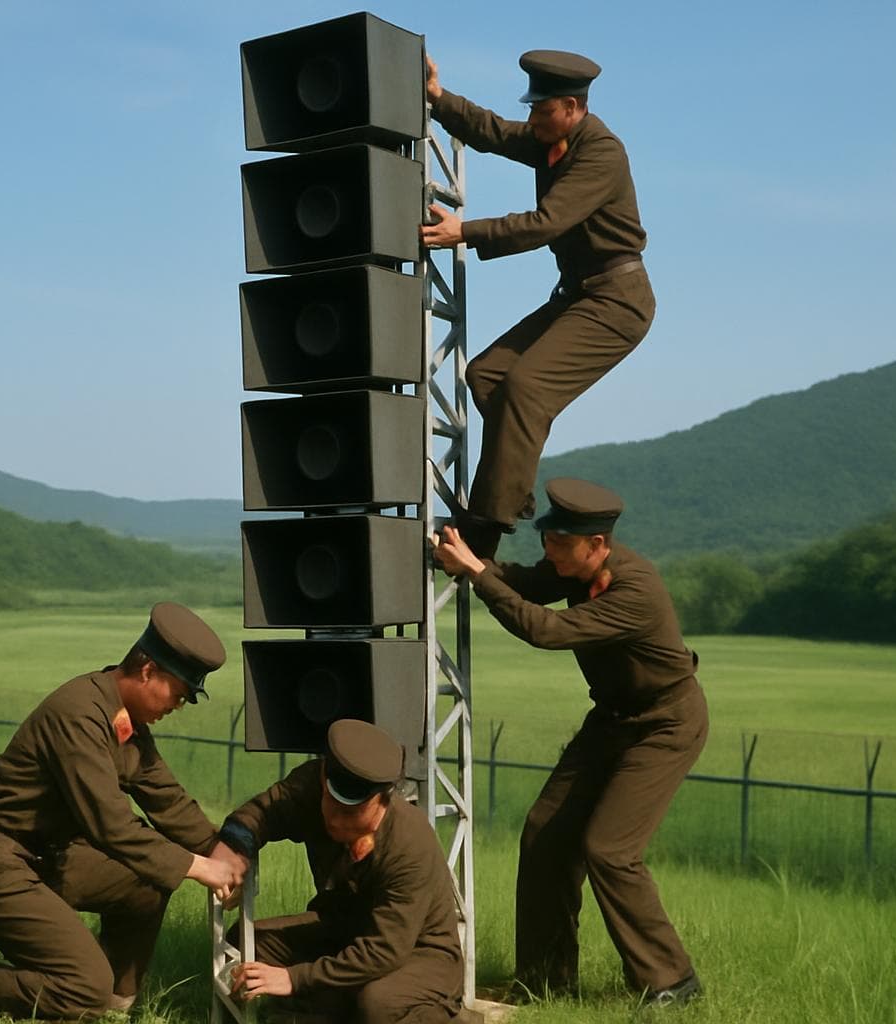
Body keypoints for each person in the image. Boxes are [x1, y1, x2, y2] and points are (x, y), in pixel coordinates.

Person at [431, 479, 706, 1007]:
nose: (549, 556)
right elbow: (527, 584)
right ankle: (546, 982)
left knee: (610, 850)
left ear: (597, 545)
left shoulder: (635, 590)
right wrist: (462, 558)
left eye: (560, 547)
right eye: (547, 543)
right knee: (544, 834)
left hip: (664, 724)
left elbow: (546, 630)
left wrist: (478, 574)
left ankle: (673, 981)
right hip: (612, 719)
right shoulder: (574, 567)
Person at [0, 603, 242, 1023]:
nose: (176, 706)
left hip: (49, 859)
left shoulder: (121, 718)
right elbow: (110, 825)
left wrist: (221, 849)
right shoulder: (79, 713)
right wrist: (199, 866)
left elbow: (164, 796)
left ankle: (112, 1006)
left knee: (144, 883)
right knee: (81, 986)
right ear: (147, 670)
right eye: (178, 694)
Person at [420, 50, 655, 560]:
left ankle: (483, 531)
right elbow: (495, 131)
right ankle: (514, 490)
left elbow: (545, 221)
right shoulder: (553, 135)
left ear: (571, 107)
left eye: (541, 110)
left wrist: (465, 231)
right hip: (577, 295)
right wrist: (438, 98)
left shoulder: (601, 153)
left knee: (524, 389)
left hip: (618, 302)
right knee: (487, 376)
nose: (531, 119)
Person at [213, 719, 464, 1024]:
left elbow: (384, 950)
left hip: (419, 953)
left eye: (351, 812)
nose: (335, 818)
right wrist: (234, 850)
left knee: (377, 1004)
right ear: (323, 779)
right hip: (344, 928)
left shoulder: (410, 842)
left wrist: (294, 979)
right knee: (247, 944)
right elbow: (261, 812)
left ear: (381, 799)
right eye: (331, 802)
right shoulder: (309, 786)